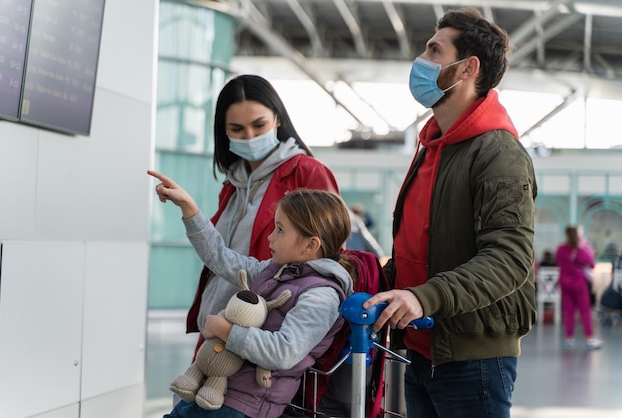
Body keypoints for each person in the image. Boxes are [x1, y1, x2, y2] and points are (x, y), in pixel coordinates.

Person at [362, 8, 537, 418]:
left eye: (434, 50)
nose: (421, 60)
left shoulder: (498, 153)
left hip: (472, 361)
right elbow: (423, 248)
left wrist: (424, 298)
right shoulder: (434, 146)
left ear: (468, 68)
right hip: (422, 351)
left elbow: (509, 260)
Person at [149, 172, 355, 418]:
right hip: (217, 394)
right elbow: (221, 258)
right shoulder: (273, 271)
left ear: (310, 245)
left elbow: (284, 351)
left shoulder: (322, 296)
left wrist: (226, 330)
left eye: (279, 230)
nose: (270, 237)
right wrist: (189, 209)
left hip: (244, 408)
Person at [185, 74, 339, 363]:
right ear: (224, 131)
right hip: (219, 327)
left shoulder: (308, 173)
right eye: (237, 129)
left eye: (259, 125)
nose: (250, 137)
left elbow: (328, 258)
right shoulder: (233, 184)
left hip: (262, 339)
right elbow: (221, 259)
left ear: (277, 120)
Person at [555, 225, 603, 350]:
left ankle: (569, 339)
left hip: (565, 283)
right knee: (584, 311)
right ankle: (590, 339)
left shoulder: (560, 249)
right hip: (579, 284)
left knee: (568, 311)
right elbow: (592, 264)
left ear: (566, 235)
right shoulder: (582, 250)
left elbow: (558, 262)